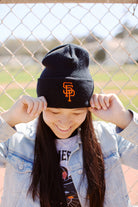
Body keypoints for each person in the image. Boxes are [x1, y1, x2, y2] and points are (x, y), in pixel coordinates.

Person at [0, 44, 137, 207]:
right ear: (41, 106)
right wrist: (8, 120)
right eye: (55, 112)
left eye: (77, 113)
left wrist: (125, 120)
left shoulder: (109, 139)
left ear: (88, 110)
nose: (64, 123)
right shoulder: (17, 141)